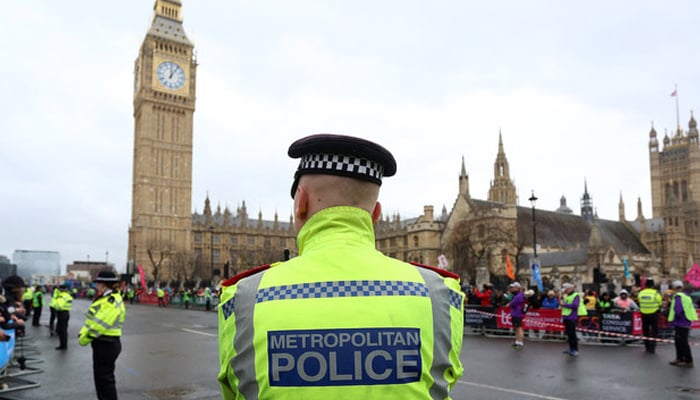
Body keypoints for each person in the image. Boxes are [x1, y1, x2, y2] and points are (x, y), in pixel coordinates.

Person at [217, 133, 465, 399]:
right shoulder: (440, 295)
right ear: (376, 214)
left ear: (300, 202)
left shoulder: (244, 298)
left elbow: (234, 390)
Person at [79, 270, 126, 400]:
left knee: (105, 381)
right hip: (103, 343)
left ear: (104, 284)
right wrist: (84, 333)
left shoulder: (111, 300)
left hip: (106, 343)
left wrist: (85, 338)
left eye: (98, 282)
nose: (96, 285)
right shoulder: (105, 298)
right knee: (101, 380)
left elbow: (99, 324)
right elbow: (91, 321)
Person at [668, 280, 697, 368]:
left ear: (674, 288)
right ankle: (680, 358)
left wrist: (676, 318)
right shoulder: (686, 296)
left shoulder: (678, 297)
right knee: (679, 341)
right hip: (685, 321)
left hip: (680, 322)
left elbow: (678, 310)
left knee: (682, 342)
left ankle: (688, 361)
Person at [560, 283, 587, 356]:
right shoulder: (567, 296)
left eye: (566, 289)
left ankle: (575, 350)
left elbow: (575, 305)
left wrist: (564, 305)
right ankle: (571, 348)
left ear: (569, 289)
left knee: (572, 334)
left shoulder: (576, 295)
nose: (565, 291)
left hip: (571, 316)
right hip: (566, 316)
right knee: (569, 334)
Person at [638, 278, 662, 354]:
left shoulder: (641, 293)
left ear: (645, 285)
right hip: (654, 314)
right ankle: (652, 348)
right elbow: (660, 303)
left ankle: (647, 347)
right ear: (653, 285)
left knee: (646, 331)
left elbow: (639, 301)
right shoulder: (656, 293)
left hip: (644, 314)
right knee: (654, 331)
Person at [507, 282, 526, 350]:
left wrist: (510, 303)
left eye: (513, 288)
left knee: (519, 328)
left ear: (517, 288)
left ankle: (520, 343)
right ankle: (517, 342)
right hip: (515, 313)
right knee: (516, 328)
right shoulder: (516, 295)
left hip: (518, 314)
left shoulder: (519, 296)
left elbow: (512, 303)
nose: (511, 289)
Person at [54, 284, 73, 350]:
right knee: (64, 330)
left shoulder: (61, 296)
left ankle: (62, 345)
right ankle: (64, 344)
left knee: (61, 330)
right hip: (66, 313)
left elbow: (59, 306)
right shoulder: (68, 296)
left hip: (61, 313)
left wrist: (55, 307)